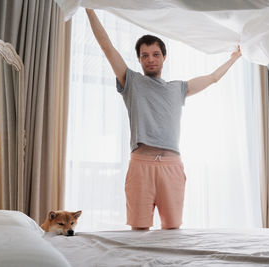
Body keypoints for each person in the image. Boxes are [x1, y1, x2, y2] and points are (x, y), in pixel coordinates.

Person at [86, 9, 242, 230]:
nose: (150, 59)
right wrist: (88, 8)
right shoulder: (132, 82)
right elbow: (106, 47)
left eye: (155, 54)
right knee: (139, 231)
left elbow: (213, 78)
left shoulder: (178, 88)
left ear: (164, 57)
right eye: (145, 55)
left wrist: (234, 58)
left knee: (172, 230)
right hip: (141, 165)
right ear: (139, 59)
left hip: (172, 167)